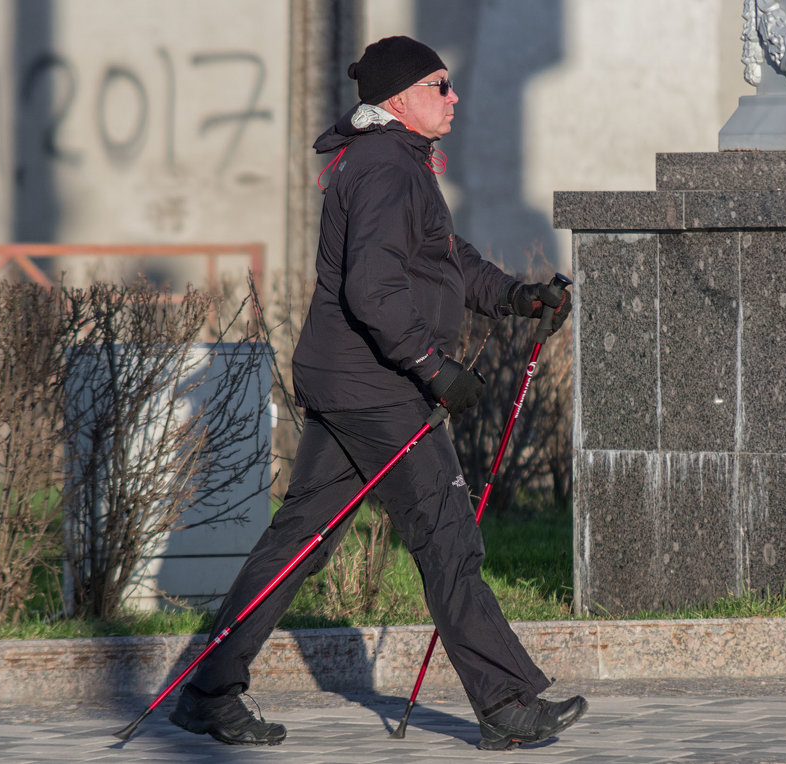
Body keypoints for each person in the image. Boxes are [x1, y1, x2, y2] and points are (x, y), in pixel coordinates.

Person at [168, 35, 584, 750]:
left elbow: (446, 260)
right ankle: (508, 706)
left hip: (350, 382)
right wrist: (431, 365)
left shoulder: (396, 162)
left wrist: (515, 296)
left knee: (299, 539)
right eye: (441, 86)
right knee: (448, 540)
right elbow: (373, 287)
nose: (455, 97)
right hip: (378, 388)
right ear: (399, 98)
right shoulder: (388, 168)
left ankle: (208, 690)